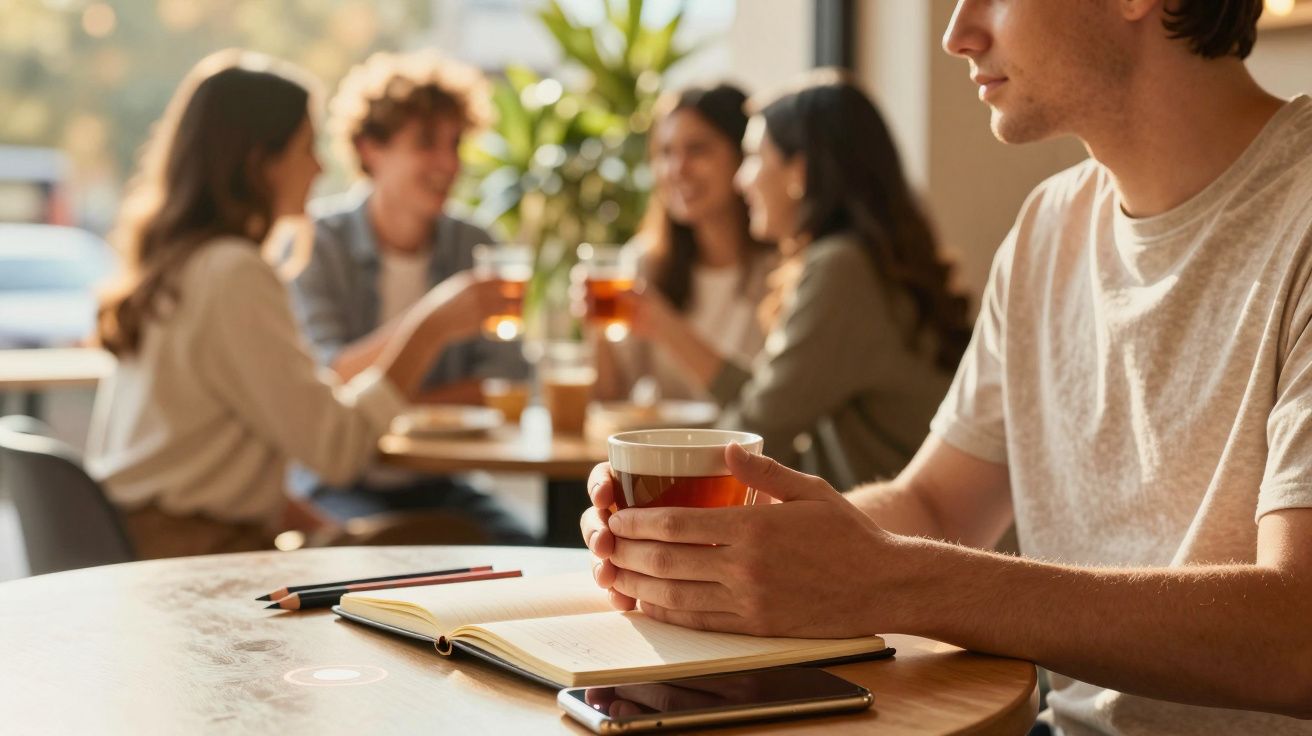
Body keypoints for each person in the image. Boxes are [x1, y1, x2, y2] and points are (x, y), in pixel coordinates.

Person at [582, 1, 1312, 732]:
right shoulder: (1047, 229)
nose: (957, 33)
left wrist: (894, 581)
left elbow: (1299, 635)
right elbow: (935, 505)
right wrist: (749, 548)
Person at [87, 50, 511, 559]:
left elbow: (220, 455)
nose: (320, 166)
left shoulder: (179, 264)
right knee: (471, 554)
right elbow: (337, 451)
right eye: (306, 147)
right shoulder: (234, 273)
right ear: (260, 163)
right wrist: (430, 327)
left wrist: (328, 530)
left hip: (149, 547)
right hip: (194, 558)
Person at [619, 71, 971, 489]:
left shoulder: (840, 269)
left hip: (904, 534)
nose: (741, 179)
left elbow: (755, 432)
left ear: (797, 172)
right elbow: (768, 405)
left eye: (753, 157)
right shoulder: (857, 259)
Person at [285, 51, 530, 541]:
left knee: (532, 554)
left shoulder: (474, 246)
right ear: (369, 149)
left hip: (441, 482)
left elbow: (509, 379)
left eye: (456, 143)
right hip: (339, 482)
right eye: (426, 143)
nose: (449, 162)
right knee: (371, 566)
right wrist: (432, 319)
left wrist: (382, 402)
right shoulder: (317, 242)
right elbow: (325, 376)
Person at [595, 84, 775, 403]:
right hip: (665, 453)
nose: (677, 169)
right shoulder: (644, 264)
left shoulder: (780, 272)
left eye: (697, 150)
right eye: (665, 153)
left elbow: (771, 406)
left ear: (742, 157)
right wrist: (596, 326)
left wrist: (663, 324)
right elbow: (609, 399)